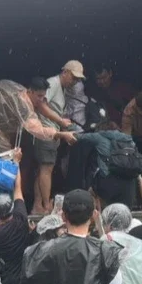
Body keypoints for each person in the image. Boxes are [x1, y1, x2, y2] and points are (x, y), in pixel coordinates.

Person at [0, 79, 78, 212]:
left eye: (43, 96)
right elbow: (39, 131)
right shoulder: (22, 107)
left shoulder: (19, 89)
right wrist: (61, 134)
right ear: (30, 91)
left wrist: (61, 121)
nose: (41, 99)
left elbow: (41, 106)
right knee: (7, 173)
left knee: (9, 168)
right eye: (38, 96)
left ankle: (4, 208)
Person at [32, 62, 87, 214]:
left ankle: (38, 205)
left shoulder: (60, 87)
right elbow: (40, 105)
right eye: (73, 77)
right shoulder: (53, 83)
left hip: (51, 131)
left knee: (43, 169)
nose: (75, 81)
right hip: (46, 132)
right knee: (46, 169)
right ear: (65, 72)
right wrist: (60, 121)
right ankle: (45, 206)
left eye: (77, 79)